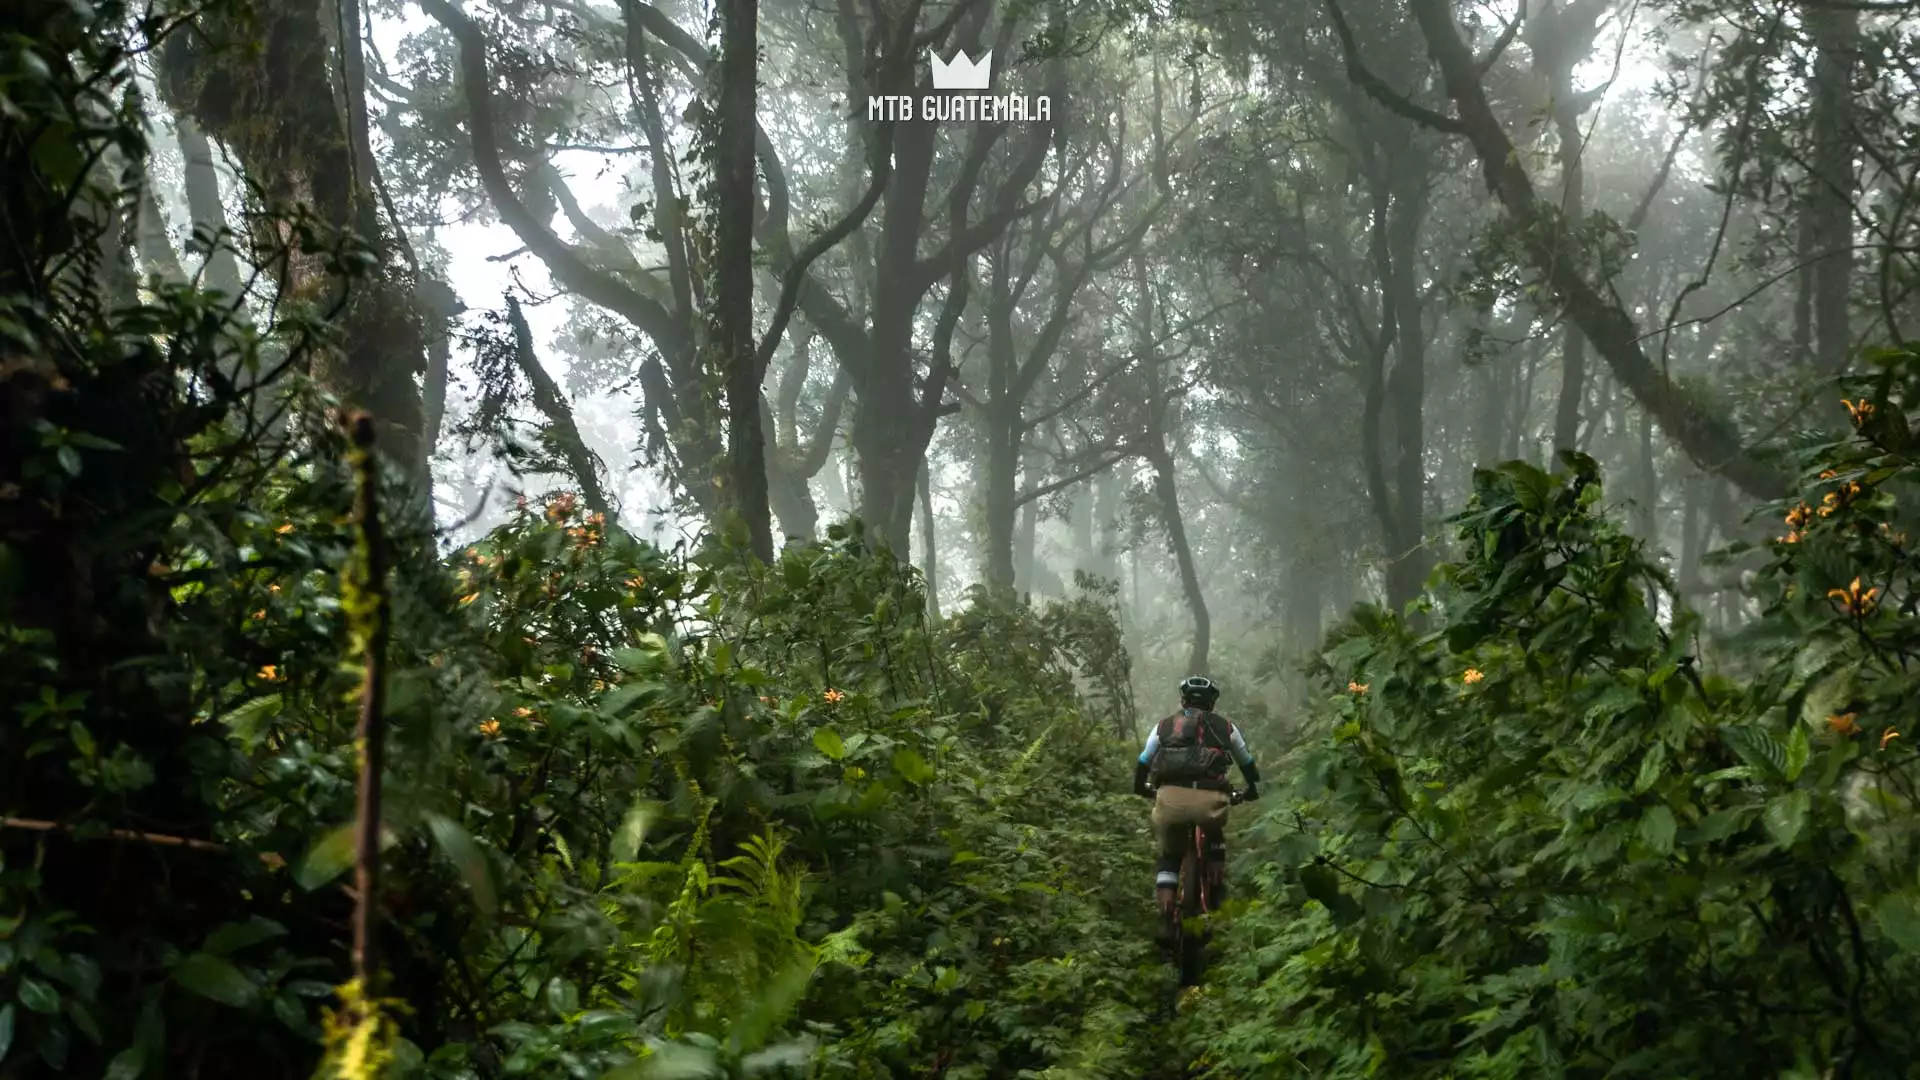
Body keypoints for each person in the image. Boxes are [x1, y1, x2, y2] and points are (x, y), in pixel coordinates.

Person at [1133, 675, 1260, 922]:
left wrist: (1141, 788)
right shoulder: (1226, 727)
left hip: (1170, 801)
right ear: (1212, 703)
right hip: (1210, 802)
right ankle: (1216, 886)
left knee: (1170, 853)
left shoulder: (1164, 726)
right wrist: (1252, 789)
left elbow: (1143, 761)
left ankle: (1166, 911)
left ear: (1183, 700)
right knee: (1214, 833)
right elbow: (1247, 762)